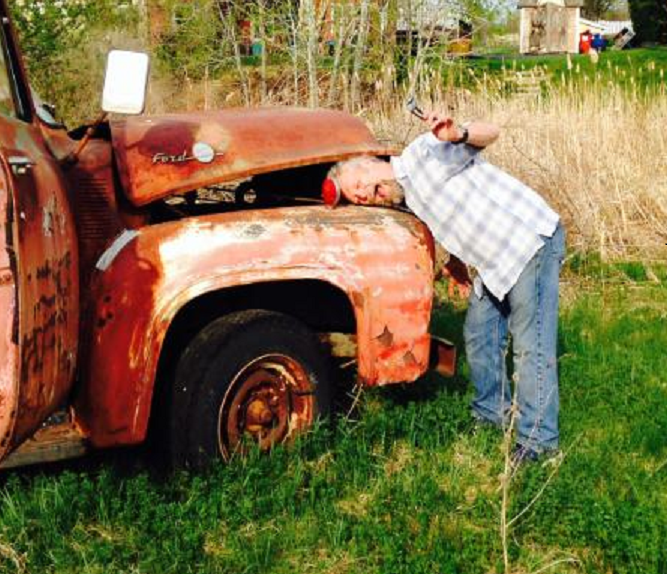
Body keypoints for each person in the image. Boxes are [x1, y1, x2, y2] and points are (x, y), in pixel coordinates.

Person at [325, 112, 565, 462]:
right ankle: (491, 415)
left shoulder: (423, 154)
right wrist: (455, 260)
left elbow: (491, 132)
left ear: (371, 163)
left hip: (528, 243)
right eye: (356, 196)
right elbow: (452, 214)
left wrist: (460, 132)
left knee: (532, 347)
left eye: (359, 182)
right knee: (480, 336)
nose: (362, 194)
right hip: (495, 264)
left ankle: (539, 443)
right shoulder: (407, 198)